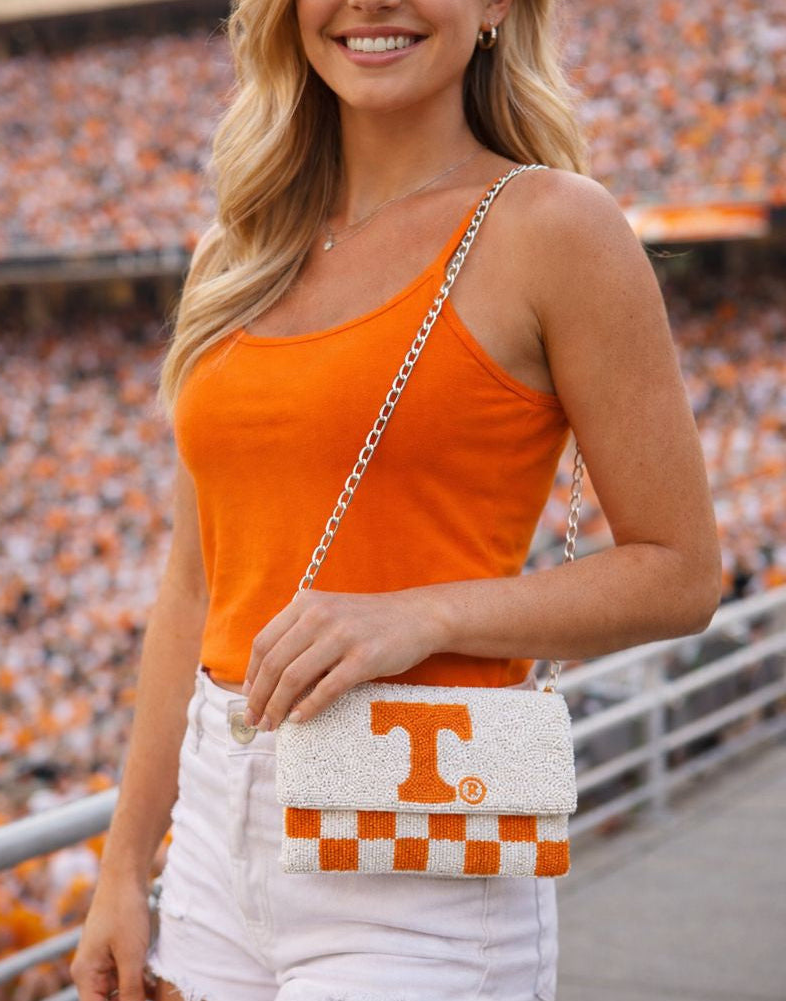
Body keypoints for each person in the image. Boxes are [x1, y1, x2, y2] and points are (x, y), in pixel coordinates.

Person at [71, 1, 722, 999]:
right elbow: (194, 584)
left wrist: (423, 613)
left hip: (417, 834)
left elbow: (681, 572)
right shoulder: (234, 254)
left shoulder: (553, 226)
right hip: (210, 831)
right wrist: (124, 863)